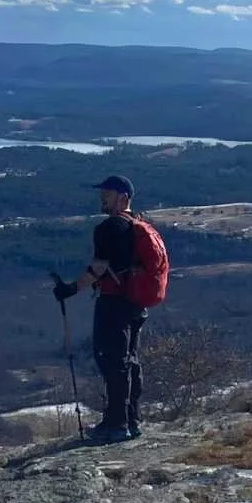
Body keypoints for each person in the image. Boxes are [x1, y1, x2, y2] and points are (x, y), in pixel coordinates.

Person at [54, 175, 151, 441]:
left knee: (111, 360)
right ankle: (132, 419)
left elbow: (98, 269)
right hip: (137, 303)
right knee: (130, 360)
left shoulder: (108, 228)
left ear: (124, 197)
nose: (102, 198)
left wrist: (70, 289)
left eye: (107, 194)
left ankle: (116, 424)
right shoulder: (138, 224)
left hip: (114, 302)